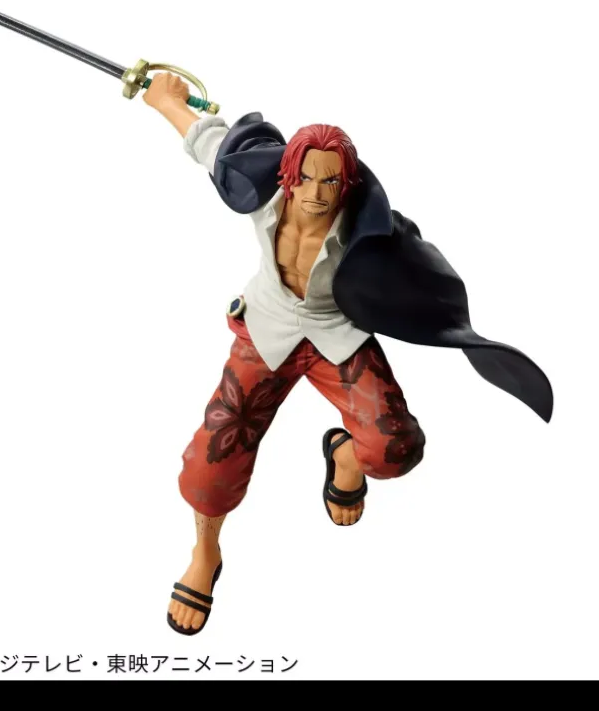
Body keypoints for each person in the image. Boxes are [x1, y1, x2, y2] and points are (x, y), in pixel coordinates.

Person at [144, 74, 552, 635]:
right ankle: (205, 551)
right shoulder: (261, 190)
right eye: (305, 177)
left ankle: (345, 456)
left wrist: (459, 330)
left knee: (395, 448)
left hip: (338, 335)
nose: (315, 193)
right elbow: (207, 139)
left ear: (348, 182)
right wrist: (166, 98)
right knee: (213, 455)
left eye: (330, 181)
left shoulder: (373, 233)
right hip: (267, 328)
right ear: (288, 173)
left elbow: (428, 274)